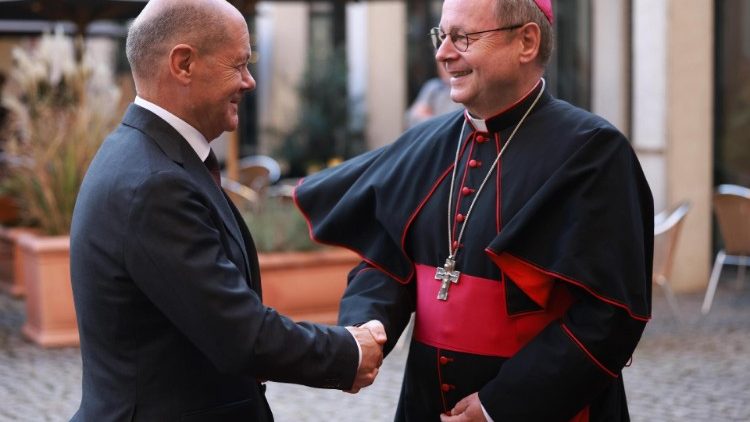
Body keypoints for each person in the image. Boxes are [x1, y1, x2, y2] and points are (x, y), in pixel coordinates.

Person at [294, 0, 654, 421]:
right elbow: (387, 263)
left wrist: (499, 406)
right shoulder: (424, 144)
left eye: (462, 37)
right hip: (425, 406)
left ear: (526, 41)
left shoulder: (591, 153)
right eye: (441, 35)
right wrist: (366, 326)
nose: (443, 53)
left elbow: (610, 318)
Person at [69, 1, 385, 421]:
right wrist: (347, 351)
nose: (249, 82)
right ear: (183, 64)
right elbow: (239, 334)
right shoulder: (154, 183)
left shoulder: (145, 156)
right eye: (238, 65)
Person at [405, 62, 463, 128]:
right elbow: (409, 119)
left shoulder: (464, 92)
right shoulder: (432, 87)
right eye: (440, 63)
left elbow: (453, 127)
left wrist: (426, 118)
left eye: (448, 61)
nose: (445, 67)